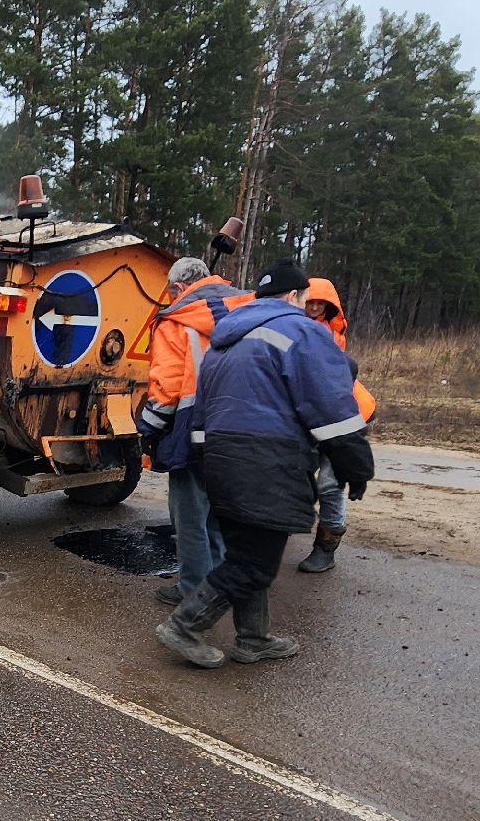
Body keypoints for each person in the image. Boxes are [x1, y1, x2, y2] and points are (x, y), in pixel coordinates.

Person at [155, 258, 376, 668]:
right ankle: (184, 626)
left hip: (220, 458)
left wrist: (206, 458)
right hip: (266, 460)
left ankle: (253, 638)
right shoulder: (302, 332)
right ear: (294, 296)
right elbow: (330, 406)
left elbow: (202, 407)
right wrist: (356, 465)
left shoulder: (225, 338)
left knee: (249, 551)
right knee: (252, 563)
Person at [138, 257, 254, 605]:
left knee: (189, 519)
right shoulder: (247, 308)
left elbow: (167, 391)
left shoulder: (176, 321)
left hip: (194, 432)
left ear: (177, 289)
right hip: (243, 428)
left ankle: (193, 592)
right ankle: (217, 588)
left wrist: (148, 433)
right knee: (218, 515)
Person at [296, 277, 378, 573]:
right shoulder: (297, 330)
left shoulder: (328, 336)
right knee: (297, 472)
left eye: (321, 304)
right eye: (311, 302)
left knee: (330, 485)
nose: (315, 308)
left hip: (346, 416)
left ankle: (326, 547)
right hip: (315, 415)